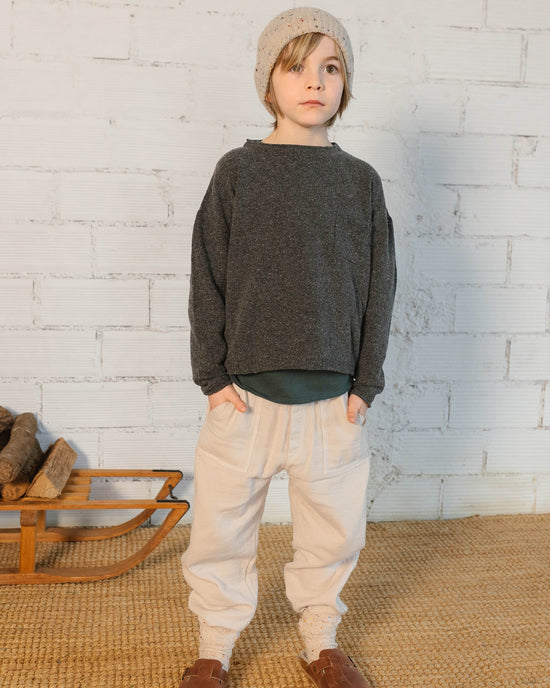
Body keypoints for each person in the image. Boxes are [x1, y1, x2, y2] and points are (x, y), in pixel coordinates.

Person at [179, 7, 397, 688]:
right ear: (267, 80)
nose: (314, 81)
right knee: (221, 531)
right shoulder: (238, 173)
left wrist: (365, 384)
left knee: (332, 532)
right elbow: (207, 275)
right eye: (296, 66)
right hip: (243, 399)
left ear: (345, 83)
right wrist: (212, 377)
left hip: (334, 404)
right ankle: (214, 647)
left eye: (330, 67)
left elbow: (381, 285)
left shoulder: (359, 182)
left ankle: (321, 641)